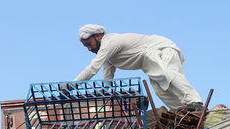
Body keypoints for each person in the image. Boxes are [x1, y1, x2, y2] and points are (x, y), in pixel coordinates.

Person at [74, 24, 203, 110]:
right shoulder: (109, 56)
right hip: (149, 63)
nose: (89, 49)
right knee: (160, 90)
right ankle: (184, 112)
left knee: (169, 74)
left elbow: (93, 68)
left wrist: (70, 86)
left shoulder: (110, 42)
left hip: (161, 50)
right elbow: (108, 78)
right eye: (86, 46)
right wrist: (106, 95)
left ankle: (196, 102)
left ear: (98, 36)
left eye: (89, 44)